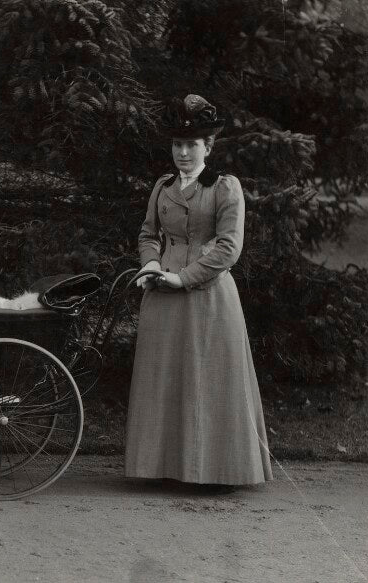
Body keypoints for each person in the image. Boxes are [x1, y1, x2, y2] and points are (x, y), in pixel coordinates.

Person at [124, 94, 273, 491]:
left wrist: (183, 277)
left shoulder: (225, 187)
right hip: (161, 296)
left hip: (207, 297)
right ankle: (161, 468)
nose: (183, 153)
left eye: (192, 145)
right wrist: (152, 264)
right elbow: (148, 233)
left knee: (208, 379)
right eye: (177, 145)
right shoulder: (163, 186)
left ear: (208, 147)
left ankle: (217, 472)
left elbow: (228, 248)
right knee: (165, 378)